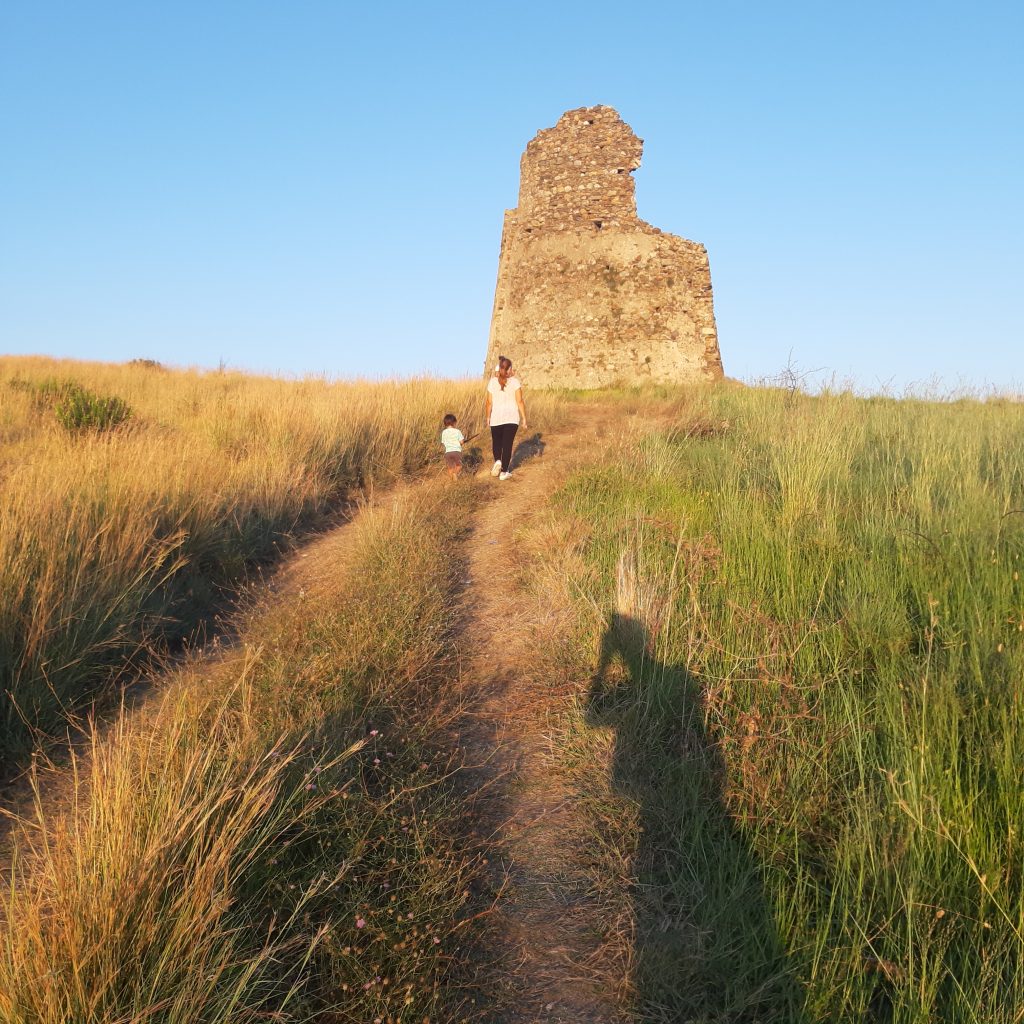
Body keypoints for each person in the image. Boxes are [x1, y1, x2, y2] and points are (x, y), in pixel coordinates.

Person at [485, 355, 527, 480]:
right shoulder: (515, 382)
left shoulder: (492, 382)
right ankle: (504, 472)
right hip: (511, 418)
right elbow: (519, 401)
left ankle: (498, 461)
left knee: (497, 442)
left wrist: (488, 417)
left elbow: (488, 402)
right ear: (509, 369)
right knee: (507, 444)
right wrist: (524, 418)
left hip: (496, 418)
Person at [440, 412, 465, 479]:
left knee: (450, 467)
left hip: (448, 452)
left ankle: (452, 480)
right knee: (459, 465)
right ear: (454, 422)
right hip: (456, 451)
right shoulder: (457, 431)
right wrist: (460, 443)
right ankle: (455, 473)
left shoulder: (443, 432)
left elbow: (443, 443)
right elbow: (462, 442)